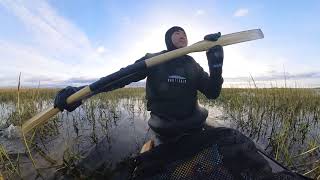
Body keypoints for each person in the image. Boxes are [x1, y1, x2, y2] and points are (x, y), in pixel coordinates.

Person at [54, 26, 224, 143]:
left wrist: (216, 65)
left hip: (195, 123)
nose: (182, 35)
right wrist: (81, 93)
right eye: (177, 32)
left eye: (184, 33)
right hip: (165, 129)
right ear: (168, 39)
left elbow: (212, 93)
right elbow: (121, 77)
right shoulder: (153, 59)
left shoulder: (192, 64)